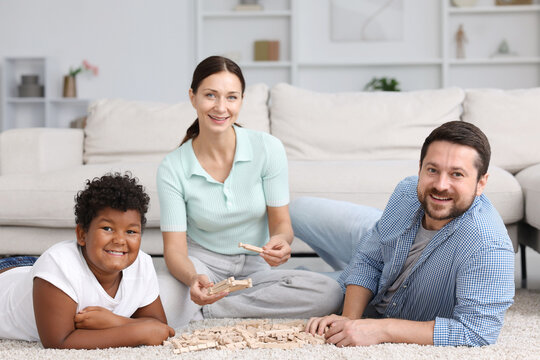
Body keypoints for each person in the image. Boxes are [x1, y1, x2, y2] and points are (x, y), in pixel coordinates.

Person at [156, 55, 342, 328]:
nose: (221, 107)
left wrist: (280, 241)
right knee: (159, 300)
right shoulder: (172, 167)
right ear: (193, 97)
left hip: (255, 269)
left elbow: (281, 225)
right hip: (203, 265)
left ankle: (212, 309)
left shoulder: (268, 148)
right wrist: (193, 279)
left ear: (241, 100)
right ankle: (229, 302)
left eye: (232, 97)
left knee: (330, 292)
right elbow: (174, 252)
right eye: (210, 95)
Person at [291, 121, 515, 347]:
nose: (440, 185)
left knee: (315, 295)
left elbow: (477, 332)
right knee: (298, 211)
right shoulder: (408, 190)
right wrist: (349, 319)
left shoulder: (489, 246)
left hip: (387, 287)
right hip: (382, 239)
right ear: (420, 168)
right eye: (432, 170)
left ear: (481, 183)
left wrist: (382, 329)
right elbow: (369, 259)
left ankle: (267, 276)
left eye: (457, 174)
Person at [0, 173, 174, 348]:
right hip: (8, 276)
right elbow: (58, 341)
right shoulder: (58, 266)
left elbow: (160, 327)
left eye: (131, 232)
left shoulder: (141, 264)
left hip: (32, 271)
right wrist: (138, 333)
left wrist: (115, 321)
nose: (120, 240)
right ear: (82, 234)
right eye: (107, 228)